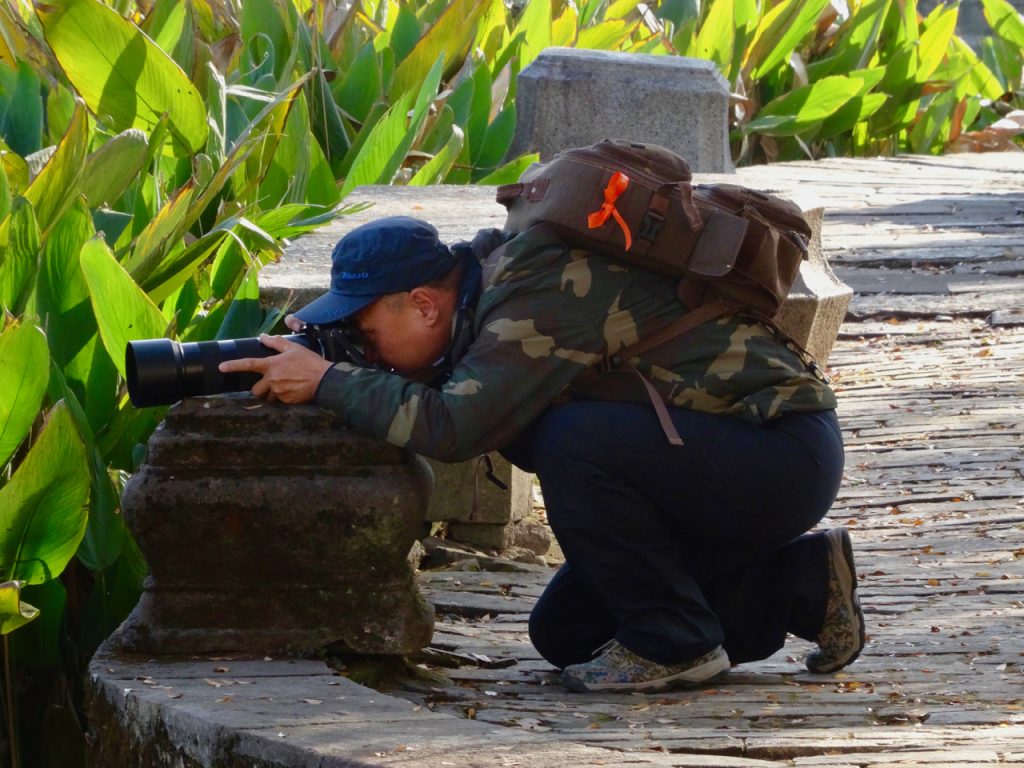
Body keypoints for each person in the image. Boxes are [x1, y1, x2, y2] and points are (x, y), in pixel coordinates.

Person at [219, 214, 865, 693]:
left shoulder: (528, 296)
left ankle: (677, 642)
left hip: (782, 451)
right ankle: (805, 584)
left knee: (569, 440)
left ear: (422, 304)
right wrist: (333, 361)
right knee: (565, 632)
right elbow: (457, 397)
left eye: (364, 330)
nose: (363, 346)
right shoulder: (480, 304)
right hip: (714, 461)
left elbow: (455, 427)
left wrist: (331, 381)